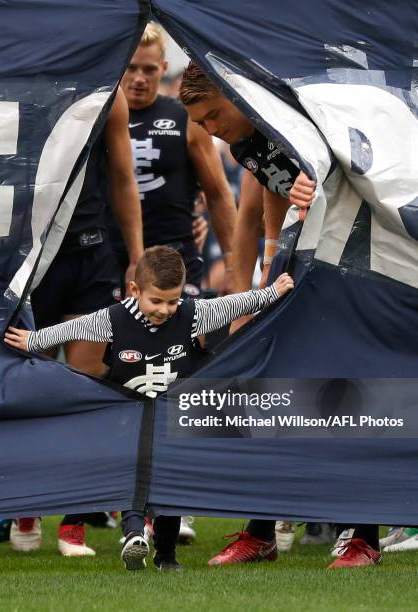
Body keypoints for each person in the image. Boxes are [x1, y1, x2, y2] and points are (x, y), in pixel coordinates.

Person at [179, 61, 381, 570]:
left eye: (211, 116)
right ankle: (262, 530)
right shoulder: (245, 142)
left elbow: (369, 172)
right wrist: (260, 289)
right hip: (303, 271)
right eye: (200, 123)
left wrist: (328, 185)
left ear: (234, 95)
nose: (209, 130)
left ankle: (365, 536)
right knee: (271, 397)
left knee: (354, 394)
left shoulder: (304, 117)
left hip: (360, 269)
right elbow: (269, 203)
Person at [5, 246, 294, 570]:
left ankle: (166, 554)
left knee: (169, 488)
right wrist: (32, 341)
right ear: (134, 290)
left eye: (172, 301)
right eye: (156, 301)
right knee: (133, 480)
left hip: (172, 423)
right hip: (128, 422)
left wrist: (272, 292)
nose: (164, 309)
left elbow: (232, 305)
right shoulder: (113, 318)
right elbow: (71, 330)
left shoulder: (192, 314)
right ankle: (133, 537)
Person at [10, 88, 144, 556]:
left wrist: (137, 257)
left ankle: (74, 523)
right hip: (34, 260)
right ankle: (27, 506)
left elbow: (125, 179)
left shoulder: (111, 93)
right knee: (35, 384)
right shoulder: (30, 83)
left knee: (86, 384)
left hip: (92, 254)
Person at [108, 23, 237, 301]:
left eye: (149, 69)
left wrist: (232, 264)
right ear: (118, 66)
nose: (139, 78)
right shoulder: (97, 117)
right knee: (112, 342)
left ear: (164, 68)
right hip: (110, 254)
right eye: (131, 68)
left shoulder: (186, 119)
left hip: (176, 254)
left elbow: (218, 193)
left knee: (185, 340)